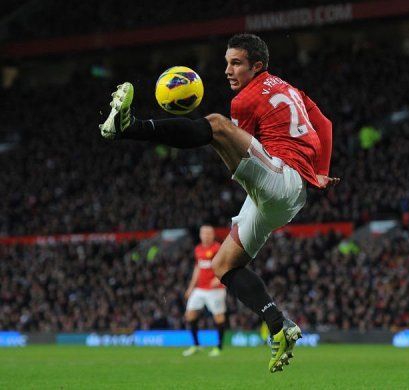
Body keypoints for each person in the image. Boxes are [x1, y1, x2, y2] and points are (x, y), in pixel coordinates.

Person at [99, 33, 338, 373]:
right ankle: (279, 325)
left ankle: (131, 126)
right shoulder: (290, 88)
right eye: (226, 62)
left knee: (215, 125)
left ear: (257, 66)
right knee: (224, 265)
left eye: (236, 63)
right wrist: (322, 172)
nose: (227, 70)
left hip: (282, 179)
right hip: (289, 194)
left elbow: (231, 148)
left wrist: (213, 137)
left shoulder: (245, 100)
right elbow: (324, 125)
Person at [182, 224, 226, 357]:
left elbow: (226, 264)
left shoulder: (218, 248)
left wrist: (219, 278)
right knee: (190, 314)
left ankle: (219, 347)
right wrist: (191, 287)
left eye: (208, 233)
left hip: (215, 289)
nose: (206, 236)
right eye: (204, 233)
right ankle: (196, 345)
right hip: (200, 288)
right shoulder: (198, 249)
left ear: (213, 235)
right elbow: (198, 268)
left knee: (218, 317)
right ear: (200, 235)